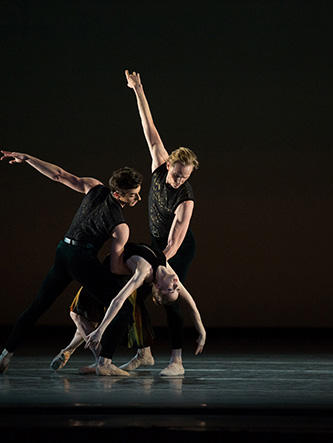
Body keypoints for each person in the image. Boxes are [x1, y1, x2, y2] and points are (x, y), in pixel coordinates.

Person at [0, 150, 143, 373]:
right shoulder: (121, 227)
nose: (138, 199)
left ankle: (5, 356)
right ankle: (105, 363)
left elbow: (59, 175)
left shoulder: (94, 187)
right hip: (82, 260)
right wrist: (140, 270)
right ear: (119, 194)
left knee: (38, 305)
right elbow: (114, 267)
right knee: (123, 310)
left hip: (63, 252)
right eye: (133, 195)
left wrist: (29, 159)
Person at [124, 69, 201, 376]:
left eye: (186, 176)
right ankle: (144, 353)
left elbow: (175, 241)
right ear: (169, 163)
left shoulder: (186, 198)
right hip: (158, 244)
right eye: (178, 173)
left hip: (178, 248)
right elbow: (149, 127)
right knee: (135, 295)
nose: (181, 179)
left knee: (169, 297)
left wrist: (159, 264)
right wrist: (138, 90)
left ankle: (177, 362)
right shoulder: (159, 164)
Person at [50, 242, 206, 376]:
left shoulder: (144, 272)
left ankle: (99, 360)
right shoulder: (166, 267)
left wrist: (100, 330)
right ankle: (80, 354)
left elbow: (118, 300)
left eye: (172, 289)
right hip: (107, 272)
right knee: (83, 317)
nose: (177, 286)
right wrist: (201, 330)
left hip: (107, 278)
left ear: (158, 286)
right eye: (177, 289)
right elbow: (191, 302)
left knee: (83, 315)